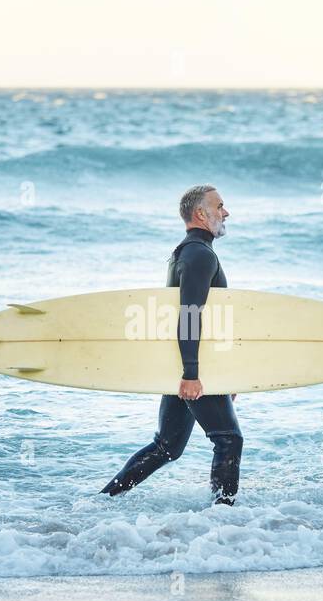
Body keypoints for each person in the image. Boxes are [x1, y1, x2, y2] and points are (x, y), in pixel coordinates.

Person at [100, 184, 243, 504]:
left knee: (167, 446)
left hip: (186, 364)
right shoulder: (198, 255)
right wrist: (192, 373)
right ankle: (226, 519)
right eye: (220, 206)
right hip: (192, 366)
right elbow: (189, 314)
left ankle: (102, 502)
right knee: (229, 440)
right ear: (200, 214)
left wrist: (225, 373)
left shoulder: (188, 252)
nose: (226, 212)